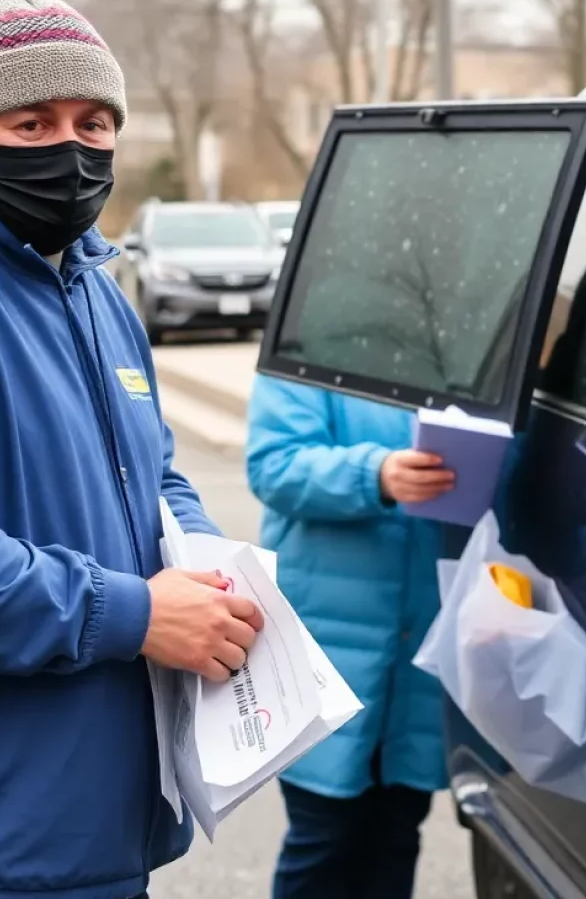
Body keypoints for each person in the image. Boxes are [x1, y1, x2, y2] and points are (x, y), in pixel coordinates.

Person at [0, 0, 264, 899]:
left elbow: (152, 470)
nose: (71, 148)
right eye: (30, 124)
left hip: (110, 819)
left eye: (96, 123)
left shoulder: (98, 290)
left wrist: (210, 568)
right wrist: (133, 614)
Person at [246, 376, 455, 899]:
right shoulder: (314, 344)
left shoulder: (462, 352)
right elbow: (274, 466)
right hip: (329, 648)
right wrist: (376, 474)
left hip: (422, 648)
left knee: (398, 834)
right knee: (323, 838)